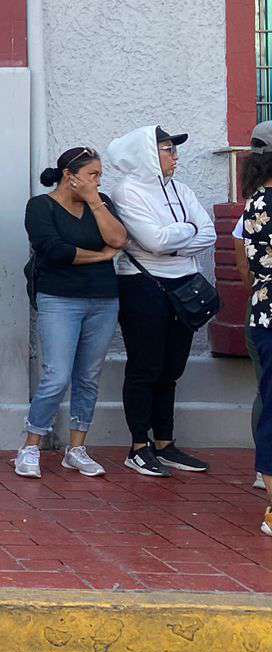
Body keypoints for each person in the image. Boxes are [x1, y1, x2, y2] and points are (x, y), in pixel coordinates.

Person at [105, 125, 217, 476]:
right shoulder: (127, 191)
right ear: (148, 154)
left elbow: (210, 232)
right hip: (143, 286)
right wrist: (188, 231)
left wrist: (176, 237)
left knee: (172, 367)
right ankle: (139, 445)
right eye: (168, 149)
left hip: (183, 286)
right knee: (145, 366)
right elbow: (153, 241)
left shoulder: (181, 189)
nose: (175, 156)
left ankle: (166, 443)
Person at [17, 147, 129, 478]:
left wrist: (95, 201)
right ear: (71, 176)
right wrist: (99, 256)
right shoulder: (40, 206)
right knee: (56, 376)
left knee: (89, 376)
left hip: (104, 300)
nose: (98, 181)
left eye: (99, 176)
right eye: (93, 174)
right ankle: (30, 445)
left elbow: (119, 239)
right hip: (59, 299)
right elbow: (53, 250)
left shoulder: (101, 202)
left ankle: (76, 448)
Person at [234, 120, 272, 489]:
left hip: (262, 307)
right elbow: (243, 263)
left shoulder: (253, 203)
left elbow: (247, 265)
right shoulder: (264, 204)